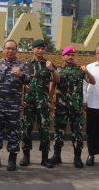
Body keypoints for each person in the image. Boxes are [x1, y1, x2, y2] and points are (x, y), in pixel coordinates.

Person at [0, 40, 30, 171]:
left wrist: (21, 74)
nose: (10, 51)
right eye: (7, 48)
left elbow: (29, 80)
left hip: (14, 106)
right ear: (3, 50)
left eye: (13, 49)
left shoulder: (22, 65)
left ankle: (12, 159)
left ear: (16, 50)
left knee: (14, 132)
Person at [51, 45, 94, 168]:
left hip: (76, 108)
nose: (70, 57)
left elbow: (92, 81)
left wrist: (86, 71)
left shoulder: (80, 70)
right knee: (59, 132)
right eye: (68, 54)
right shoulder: (57, 70)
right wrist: (49, 100)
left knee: (77, 133)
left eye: (72, 54)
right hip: (61, 107)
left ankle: (77, 158)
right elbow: (53, 86)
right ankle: (56, 156)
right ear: (63, 56)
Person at [20, 39, 59, 168]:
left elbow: (56, 81)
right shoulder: (25, 64)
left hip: (43, 103)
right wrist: (22, 100)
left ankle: (45, 158)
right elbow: (21, 83)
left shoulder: (48, 64)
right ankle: (26, 157)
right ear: (33, 49)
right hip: (29, 102)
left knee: (44, 130)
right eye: (38, 48)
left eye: (42, 48)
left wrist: (52, 69)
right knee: (26, 129)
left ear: (45, 50)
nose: (40, 50)